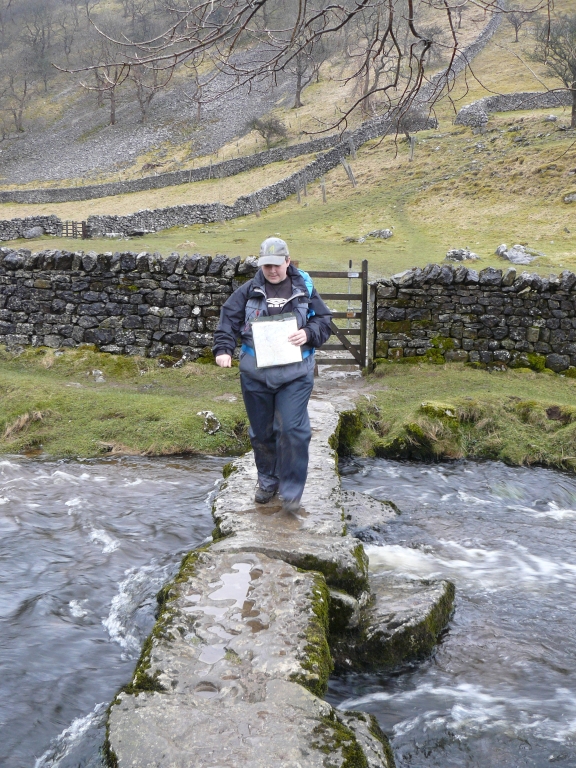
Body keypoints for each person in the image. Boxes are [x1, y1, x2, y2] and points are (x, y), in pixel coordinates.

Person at [213, 237, 332, 512]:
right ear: (261, 265)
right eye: (267, 266)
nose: (273, 271)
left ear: (288, 261)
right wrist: (224, 349)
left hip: (296, 374)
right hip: (255, 375)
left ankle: (291, 492)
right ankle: (268, 480)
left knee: (291, 429)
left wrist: (308, 333)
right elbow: (228, 319)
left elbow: (324, 321)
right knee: (262, 432)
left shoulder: (305, 289)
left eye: (277, 265)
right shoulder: (248, 290)